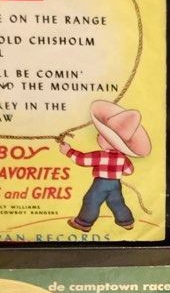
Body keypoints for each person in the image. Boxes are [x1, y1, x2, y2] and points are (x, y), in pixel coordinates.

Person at [60, 100, 151, 234]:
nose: (98, 136)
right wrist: (117, 172)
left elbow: (82, 160)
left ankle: (83, 223)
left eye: (101, 136)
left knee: (91, 200)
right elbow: (129, 171)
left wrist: (68, 151)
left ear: (108, 141)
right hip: (115, 184)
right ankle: (127, 222)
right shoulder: (122, 157)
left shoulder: (101, 155)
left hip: (101, 184)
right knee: (116, 202)